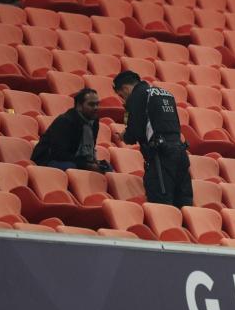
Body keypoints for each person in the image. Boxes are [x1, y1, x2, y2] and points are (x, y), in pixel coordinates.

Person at [113, 70, 193, 209]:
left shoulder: (137, 96)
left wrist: (125, 136)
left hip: (160, 157)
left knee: (161, 205)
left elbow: (135, 132)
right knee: (183, 203)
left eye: (121, 95)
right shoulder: (165, 93)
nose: (123, 99)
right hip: (180, 152)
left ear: (125, 88)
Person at [30, 88, 112, 173]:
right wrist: (87, 165)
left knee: (107, 167)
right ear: (79, 106)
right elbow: (59, 154)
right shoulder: (65, 121)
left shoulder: (94, 121)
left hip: (76, 160)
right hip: (47, 160)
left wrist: (94, 163)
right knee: (72, 167)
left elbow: (90, 150)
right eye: (91, 105)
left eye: (97, 104)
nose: (96, 108)